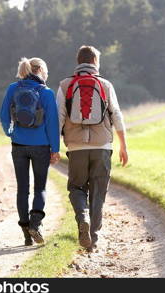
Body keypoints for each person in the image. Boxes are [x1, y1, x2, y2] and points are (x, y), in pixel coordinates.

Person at [57, 45, 128, 250]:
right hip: (102, 146)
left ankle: (82, 219)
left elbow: (58, 118)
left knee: (77, 187)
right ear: (95, 62)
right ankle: (93, 239)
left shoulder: (65, 85)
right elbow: (117, 115)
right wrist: (123, 145)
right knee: (98, 191)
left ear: (78, 62)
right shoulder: (105, 85)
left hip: (76, 146)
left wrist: (54, 147)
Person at [0, 57, 61, 246]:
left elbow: (3, 115)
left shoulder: (13, 88)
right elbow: (52, 123)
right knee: (40, 187)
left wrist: (10, 132)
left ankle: (26, 233)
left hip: (18, 145)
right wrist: (55, 149)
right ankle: (36, 222)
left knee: (22, 189)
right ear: (41, 70)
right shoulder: (47, 93)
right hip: (41, 146)